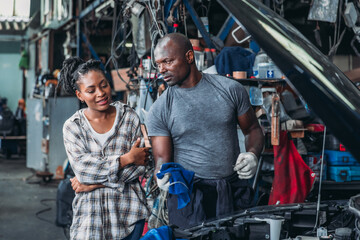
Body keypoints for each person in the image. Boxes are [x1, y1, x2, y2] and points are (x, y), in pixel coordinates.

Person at [145, 33, 264, 228]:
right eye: (158, 64)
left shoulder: (230, 90)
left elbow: (252, 129)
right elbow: (161, 159)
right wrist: (161, 175)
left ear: (189, 57)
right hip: (190, 198)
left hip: (232, 191)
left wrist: (252, 154)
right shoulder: (160, 109)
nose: (162, 70)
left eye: (167, 61)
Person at [59, 57, 150, 240]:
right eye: (91, 90)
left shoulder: (129, 117)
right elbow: (84, 171)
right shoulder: (73, 127)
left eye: (104, 85)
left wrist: (93, 184)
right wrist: (126, 159)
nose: (100, 93)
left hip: (130, 215)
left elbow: (142, 165)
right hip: (90, 221)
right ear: (80, 95)